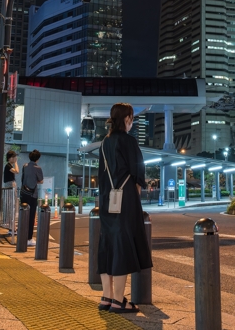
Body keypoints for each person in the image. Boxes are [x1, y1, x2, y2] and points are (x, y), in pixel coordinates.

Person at [96, 102, 151, 314]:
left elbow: (102, 174)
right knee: (122, 245)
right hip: (125, 197)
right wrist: (135, 195)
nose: (132, 122)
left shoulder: (104, 142)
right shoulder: (129, 141)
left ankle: (107, 297)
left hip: (106, 198)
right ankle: (119, 301)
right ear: (127, 119)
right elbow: (138, 171)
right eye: (132, 118)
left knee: (107, 244)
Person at [19, 150, 44, 244]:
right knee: (31, 216)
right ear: (38, 159)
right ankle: (29, 238)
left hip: (23, 193)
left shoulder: (24, 166)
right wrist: (34, 181)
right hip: (32, 194)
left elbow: (22, 179)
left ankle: (22, 236)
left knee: (23, 214)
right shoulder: (38, 168)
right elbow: (41, 181)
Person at [3, 150, 19, 235]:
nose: (15, 158)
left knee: (12, 206)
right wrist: (16, 163)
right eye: (14, 157)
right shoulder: (8, 166)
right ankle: (12, 228)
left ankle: (12, 228)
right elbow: (17, 171)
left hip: (10, 185)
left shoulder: (9, 166)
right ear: (10, 158)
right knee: (11, 205)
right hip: (10, 185)